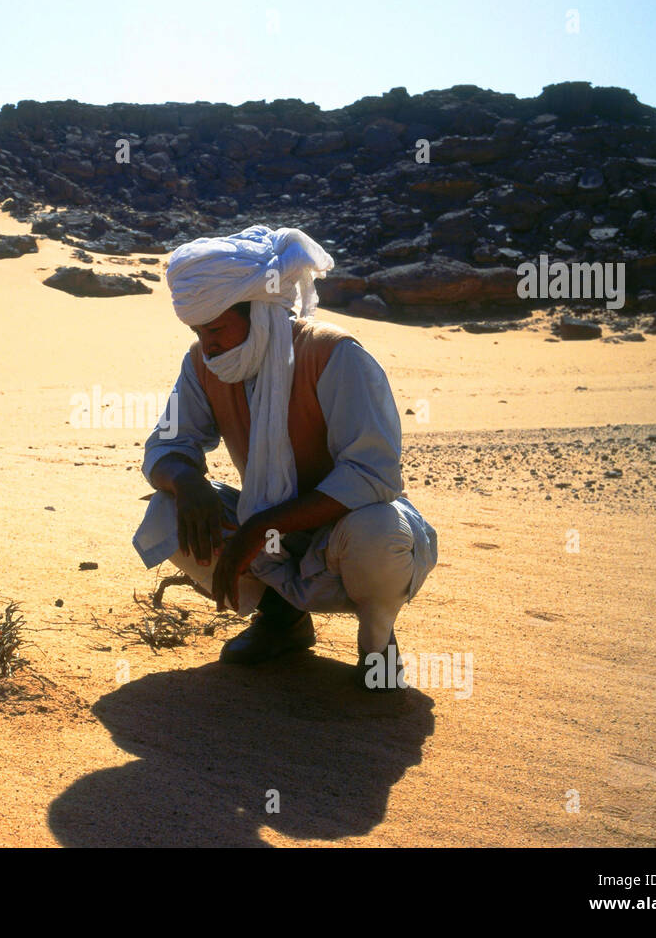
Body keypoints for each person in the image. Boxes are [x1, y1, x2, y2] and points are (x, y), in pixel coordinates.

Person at [132, 224, 437, 690]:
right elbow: (167, 446)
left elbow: (372, 474)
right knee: (169, 509)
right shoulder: (204, 364)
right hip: (273, 533)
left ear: (257, 310)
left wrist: (259, 528)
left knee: (380, 531)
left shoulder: (333, 354)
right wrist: (188, 480)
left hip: (346, 531)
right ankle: (283, 622)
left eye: (216, 328)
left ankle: (378, 644)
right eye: (199, 331)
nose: (208, 344)